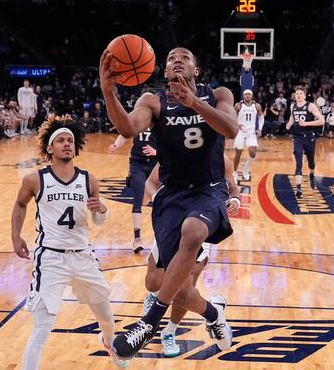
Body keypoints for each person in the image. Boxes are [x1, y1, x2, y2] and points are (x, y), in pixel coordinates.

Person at [99, 46, 238, 359]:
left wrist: (197, 104)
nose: (178, 60)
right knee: (158, 282)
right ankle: (214, 314)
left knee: (193, 232)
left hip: (208, 190)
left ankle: (151, 323)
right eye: (172, 58)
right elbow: (127, 128)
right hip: (172, 194)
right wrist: (109, 92)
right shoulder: (153, 101)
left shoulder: (218, 94)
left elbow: (231, 128)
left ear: (196, 70)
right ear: (163, 71)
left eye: (186, 57)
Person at [10, 114, 127, 369]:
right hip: (51, 258)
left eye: (70, 140)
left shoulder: (89, 180)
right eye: (60, 140)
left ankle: (109, 344)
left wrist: (102, 209)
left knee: (107, 318)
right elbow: (20, 204)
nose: (66, 144)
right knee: (42, 329)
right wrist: (15, 235)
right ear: (49, 148)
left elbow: (97, 221)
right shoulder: (35, 179)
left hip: (83, 256)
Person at [142, 155, 240, 357]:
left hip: (202, 223)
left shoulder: (222, 161)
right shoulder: (175, 155)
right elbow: (151, 182)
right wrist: (158, 198)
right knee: (153, 283)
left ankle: (169, 332)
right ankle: (213, 311)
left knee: (182, 289)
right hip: (171, 219)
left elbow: (233, 187)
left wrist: (236, 199)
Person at [108, 128, 158, 252]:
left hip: (156, 164)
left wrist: (157, 151)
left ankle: (162, 238)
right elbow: (126, 133)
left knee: (160, 200)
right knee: (138, 199)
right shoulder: (140, 118)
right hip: (138, 164)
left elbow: (172, 141)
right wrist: (116, 145)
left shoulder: (162, 117)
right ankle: (137, 239)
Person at [285, 86, 325, 199]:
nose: (298, 95)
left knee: (311, 162)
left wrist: (307, 123)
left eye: (300, 93)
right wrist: (289, 124)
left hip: (309, 137)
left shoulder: (310, 106)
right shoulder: (293, 105)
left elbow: (322, 121)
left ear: (305, 95)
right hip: (297, 137)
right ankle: (298, 189)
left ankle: (311, 174)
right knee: (298, 162)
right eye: (296, 93)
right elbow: (292, 117)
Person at [232, 89, 263, 183]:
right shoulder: (238, 105)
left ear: (252, 96)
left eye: (249, 94)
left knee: (253, 153)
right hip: (240, 132)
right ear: (243, 96)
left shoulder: (257, 106)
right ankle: (234, 172)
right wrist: (237, 124)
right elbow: (232, 116)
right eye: (246, 94)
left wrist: (260, 129)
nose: (247, 96)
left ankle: (246, 168)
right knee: (238, 153)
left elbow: (261, 118)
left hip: (251, 133)